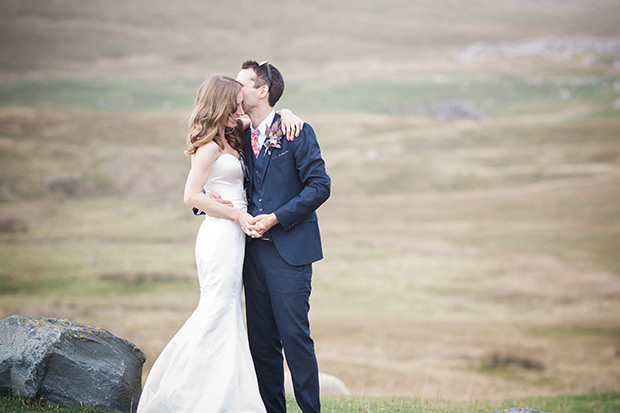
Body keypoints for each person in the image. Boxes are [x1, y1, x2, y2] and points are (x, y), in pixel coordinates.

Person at [137, 74, 304, 413]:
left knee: (227, 311)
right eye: (234, 105)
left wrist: (286, 111)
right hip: (220, 235)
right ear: (220, 104)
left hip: (233, 236)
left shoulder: (233, 135)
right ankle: (187, 394)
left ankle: (225, 395)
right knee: (218, 308)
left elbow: (266, 117)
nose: (239, 109)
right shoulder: (210, 146)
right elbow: (190, 195)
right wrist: (238, 217)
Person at [236, 60, 331, 413]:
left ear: (262, 91)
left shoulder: (297, 131)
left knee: (295, 340)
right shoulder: (240, 133)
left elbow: (320, 187)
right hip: (251, 255)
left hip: (289, 253)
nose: (236, 89)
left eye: (242, 83)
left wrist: (276, 217)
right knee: (261, 343)